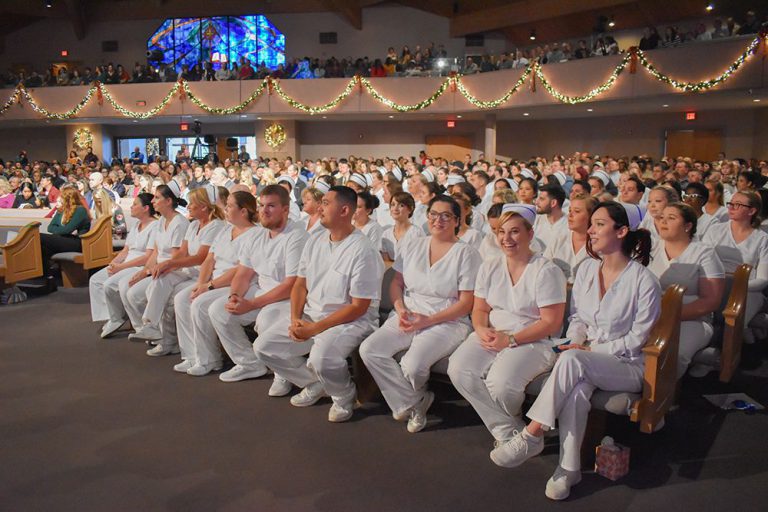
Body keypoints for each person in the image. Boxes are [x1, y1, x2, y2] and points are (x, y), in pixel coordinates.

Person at [490, 201, 660, 501]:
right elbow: (578, 317)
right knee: (578, 388)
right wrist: (576, 339)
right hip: (586, 359)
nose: (591, 230)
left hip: (627, 365)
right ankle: (569, 469)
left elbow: (638, 338)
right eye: (591, 223)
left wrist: (589, 348)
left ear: (621, 231)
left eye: (599, 224)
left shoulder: (644, 280)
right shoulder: (586, 270)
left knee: (572, 360)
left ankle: (532, 433)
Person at [253, 186, 384, 422]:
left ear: (345, 210)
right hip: (313, 314)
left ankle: (343, 396)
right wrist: (295, 318)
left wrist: (315, 329)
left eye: (325, 203)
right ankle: (314, 383)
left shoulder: (363, 250)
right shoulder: (315, 240)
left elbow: (358, 307)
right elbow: (300, 285)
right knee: (264, 346)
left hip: (351, 321)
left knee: (321, 358)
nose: (319, 208)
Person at [360, 195, 481, 432]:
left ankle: (410, 402)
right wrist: (401, 308)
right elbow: (396, 283)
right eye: (434, 214)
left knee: (413, 365)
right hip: (410, 313)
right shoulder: (414, 244)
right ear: (427, 217)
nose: (439, 220)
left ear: (457, 220)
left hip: (447, 320)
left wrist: (428, 320)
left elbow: (467, 302)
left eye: (446, 216)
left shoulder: (466, 254)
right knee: (370, 350)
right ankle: (416, 401)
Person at [448, 204, 566, 445]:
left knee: (500, 385)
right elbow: (480, 309)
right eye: (501, 232)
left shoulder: (546, 271)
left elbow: (551, 322)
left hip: (533, 339)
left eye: (514, 232)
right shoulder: (490, 266)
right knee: (458, 369)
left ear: (530, 234)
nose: (506, 238)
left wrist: (511, 340)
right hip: (492, 333)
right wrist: (480, 328)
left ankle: (510, 430)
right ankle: (512, 429)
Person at [209, 185, 309, 389]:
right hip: (264, 292)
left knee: (266, 319)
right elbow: (243, 273)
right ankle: (248, 363)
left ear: (285, 209)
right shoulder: (257, 236)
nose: (264, 211)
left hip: (289, 298)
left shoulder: (295, 237)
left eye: (271, 206)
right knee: (219, 310)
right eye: (262, 205)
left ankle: (284, 374)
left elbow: (291, 285)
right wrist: (235, 296)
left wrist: (252, 304)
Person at [173, 191, 261, 376]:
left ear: (243, 211)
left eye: (229, 206)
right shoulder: (225, 230)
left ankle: (212, 360)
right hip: (216, 281)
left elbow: (240, 270)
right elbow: (209, 260)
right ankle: (192, 355)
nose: (224, 209)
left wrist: (209, 286)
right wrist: (200, 284)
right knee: (183, 298)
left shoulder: (256, 234)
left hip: (241, 284)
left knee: (201, 304)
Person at [649, 203, 724, 377]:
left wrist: (667, 315)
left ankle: (662, 395)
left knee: (675, 351)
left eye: (671, 218)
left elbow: (710, 300)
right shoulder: (651, 248)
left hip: (692, 319)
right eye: (661, 218)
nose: (663, 222)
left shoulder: (704, 253)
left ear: (688, 226)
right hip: (650, 315)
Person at [119, 184, 188, 352]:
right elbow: (156, 252)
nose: (153, 201)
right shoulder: (162, 221)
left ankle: (153, 327)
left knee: (156, 287)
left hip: (177, 269)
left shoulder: (179, 222)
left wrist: (153, 270)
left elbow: (177, 256)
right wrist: (144, 272)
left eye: (157, 197)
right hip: (160, 268)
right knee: (133, 293)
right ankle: (160, 336)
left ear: (169, 200)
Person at [89, 193, 159, 337]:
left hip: (138, 265)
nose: (131, 207)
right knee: (95, 280)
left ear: (145, 208)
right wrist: (114, 263)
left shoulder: (155, 226)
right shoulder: (136, 225)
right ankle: (110, 316)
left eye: (135, 204)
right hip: (126, 263)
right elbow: (126, 250)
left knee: (109, 285)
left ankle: (122, 319)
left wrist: (121, 267)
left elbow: (147, 256)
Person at [703, 191, 768, 344]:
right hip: (715, 283)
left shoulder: (762, 239)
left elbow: (763, 279)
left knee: (734, 320)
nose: (731, 207)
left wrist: (734, 285)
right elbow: (703, 261)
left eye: (737, 205)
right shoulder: (715, 230)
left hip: (748, 289)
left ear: (752, 211)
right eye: (730, 204)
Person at [40, 187, 91, 291]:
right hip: (63, 240)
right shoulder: (61, 210)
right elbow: (50, 227)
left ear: (68, 198)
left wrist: (59, 229)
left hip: (77, 242)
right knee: (42, 247)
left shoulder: (80, 210)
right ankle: (49, 279)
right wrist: (61, 230)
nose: (60, 199)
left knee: (39, 237)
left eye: (62, 197)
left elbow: (67, 230)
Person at [544, 194, 598, 283]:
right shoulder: (559, 238)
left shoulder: (600, 244)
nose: (570, 215)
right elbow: (545, 268)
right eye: (569, 210)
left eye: (577, 211)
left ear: (591, 216)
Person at [381, 191, 422, 262]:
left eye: (401, 205)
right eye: (393, 204)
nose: (395, 208)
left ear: (410, 209)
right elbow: (385, 262)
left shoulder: (417, 233)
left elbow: (419, 261)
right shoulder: (386, 234)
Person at [534, 184, 568, 249]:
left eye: (541, 199)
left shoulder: (569, 225)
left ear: (553, 203)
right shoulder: (535, 220)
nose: (536, 202)